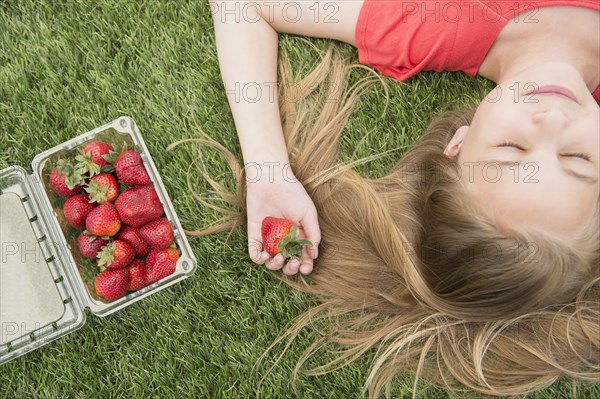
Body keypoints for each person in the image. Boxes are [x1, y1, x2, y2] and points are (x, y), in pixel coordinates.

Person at [192, 1, 599, 397]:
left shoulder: (436, 23)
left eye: (511, 147)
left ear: (457, 144)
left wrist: (268, 169)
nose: (553, 120)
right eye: (578, 159)